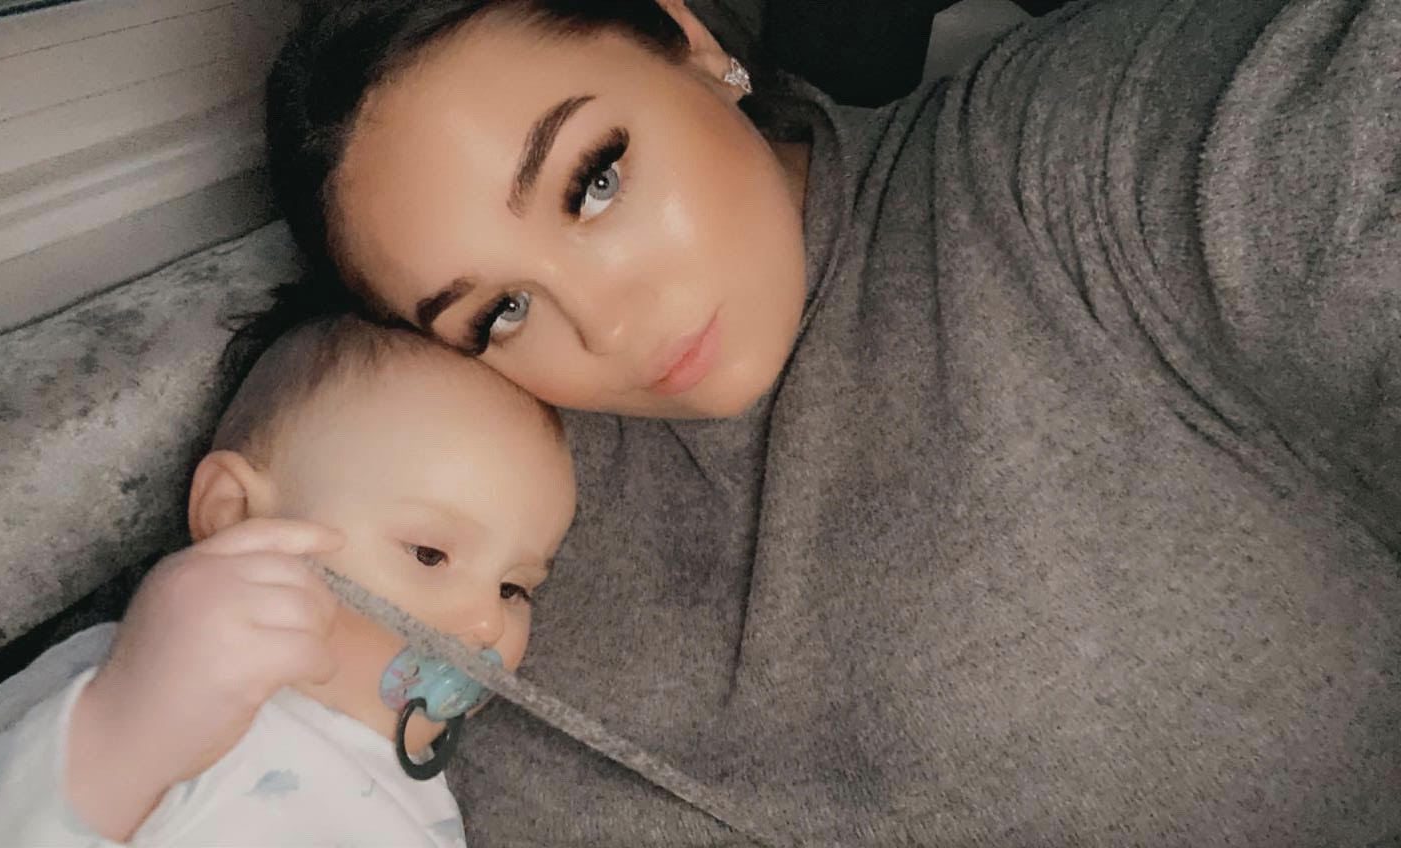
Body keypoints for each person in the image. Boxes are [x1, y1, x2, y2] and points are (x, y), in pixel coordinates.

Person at [256, 0, 1401, 844]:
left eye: (593, 180)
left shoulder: (1069, 164)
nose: (610, 325)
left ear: (691, 43)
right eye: (499, 312)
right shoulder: (460, 507)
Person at [0, 316, 576, 846]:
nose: (487, 624)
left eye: (515, 588)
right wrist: (126, 733)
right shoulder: (141, 679)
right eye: (429, 554)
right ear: (234, 515)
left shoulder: (414, 784)